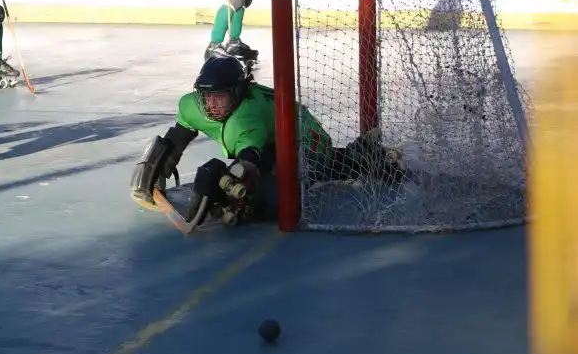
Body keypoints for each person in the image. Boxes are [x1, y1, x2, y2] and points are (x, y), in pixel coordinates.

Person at [129, 56, 406, 228]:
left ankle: (364, 158)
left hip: (304, 136)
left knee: (287, 191)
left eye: (219, 97)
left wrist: (226, 185)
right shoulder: (192, 105)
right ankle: (360, 152)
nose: (210, 105)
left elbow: (250, 161)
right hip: (273, 137)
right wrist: (161, 160)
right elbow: (180, 134)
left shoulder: (247, 117)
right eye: (205, 96)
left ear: (238, 92)